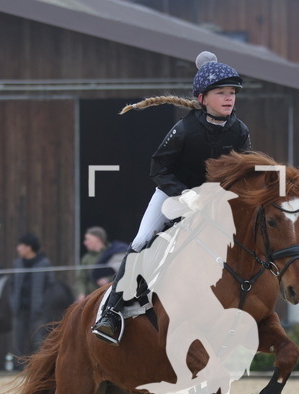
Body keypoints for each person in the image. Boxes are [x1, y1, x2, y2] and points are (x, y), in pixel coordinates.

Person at [92, 51, 251, 345]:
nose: (229, 98)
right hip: (171, 196)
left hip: (213, 203)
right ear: (202, 98)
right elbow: (159, 169)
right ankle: (112, 312)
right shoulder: (184, 130)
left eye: (232, 93)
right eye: (221, 93)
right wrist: (186, 196)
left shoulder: (239, 131)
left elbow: (242, 172)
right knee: (141, 242)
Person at [9, 233, 53, 368]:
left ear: (29, 247)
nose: (18, 249)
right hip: (20, 308)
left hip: (38, 310)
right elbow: (11, 285)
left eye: (20, 245)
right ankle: (17, 367)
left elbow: (50, 286)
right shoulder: (17, 264)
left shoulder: (44, 264)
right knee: (17, 339)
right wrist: (13, 303)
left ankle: (39, 367)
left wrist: (43, 304)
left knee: (38, 340)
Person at [77, 226, 108, 300]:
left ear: (97, 239)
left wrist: (108, 280)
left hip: (108, 296)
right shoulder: (86, 258)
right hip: (90, 298)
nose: (85, 243)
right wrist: (81, 293)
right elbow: (81, 279)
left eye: (88, 239)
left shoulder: (112, 254)